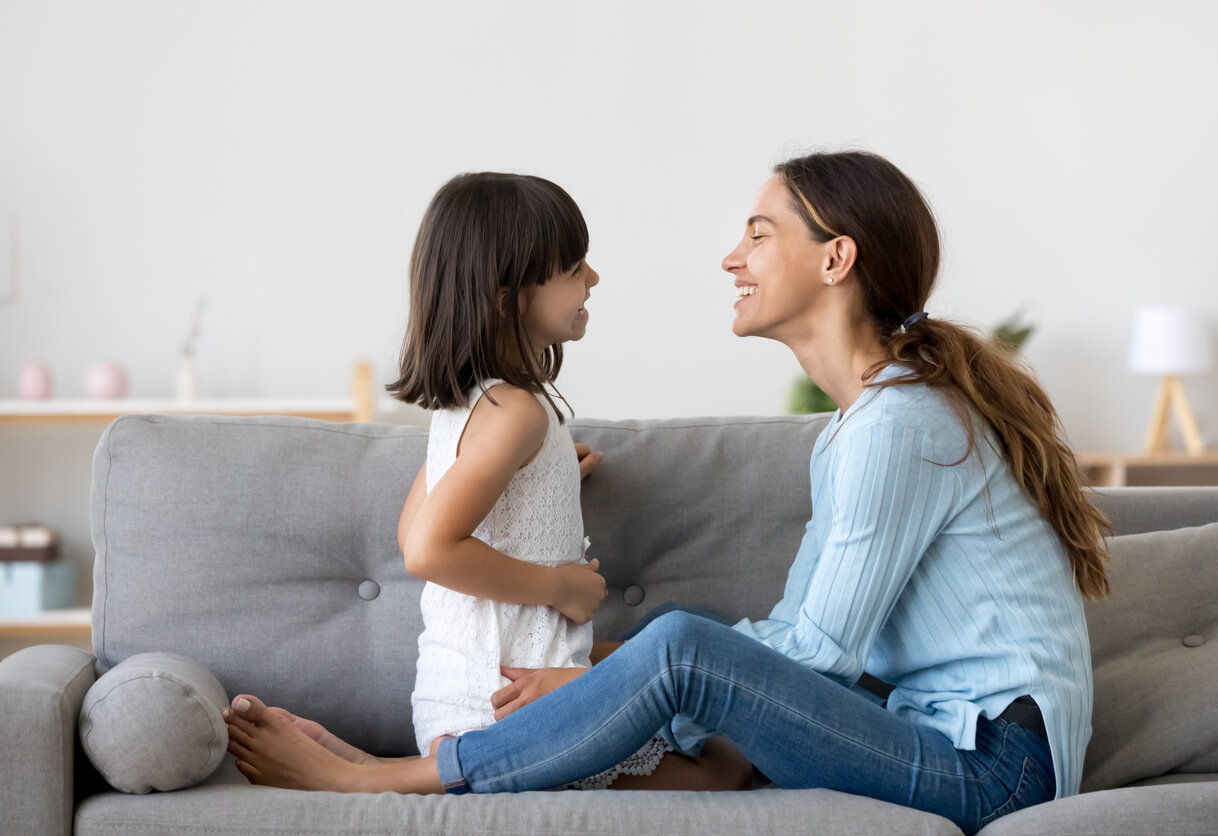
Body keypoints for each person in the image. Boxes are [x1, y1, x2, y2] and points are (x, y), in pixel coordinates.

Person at [224, 152, 1110, 834]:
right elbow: (802, 634)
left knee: (679, 646)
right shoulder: (857, 427)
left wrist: (612, 679)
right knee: (678, 663)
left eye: (760, 234)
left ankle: (385, 778)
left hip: (995, 768)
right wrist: (606, 672)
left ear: (836, 258)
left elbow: (817, 655)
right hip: (938, 730)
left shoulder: (897, 425)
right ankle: (440, 758)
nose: (733, 256)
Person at [226, 171, 749, 792]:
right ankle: (373, 779)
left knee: (696, 701)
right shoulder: (517, 414)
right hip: (511, 708)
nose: (594, 278)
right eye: (575, 266)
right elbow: (427, 550)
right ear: (508, 297)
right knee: (727, 767)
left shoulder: (470, 409)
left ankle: (375, 765)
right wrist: (560, 586)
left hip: (468, 697)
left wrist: (546, 481)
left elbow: (412, 529)